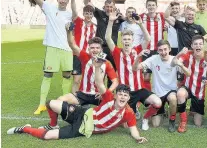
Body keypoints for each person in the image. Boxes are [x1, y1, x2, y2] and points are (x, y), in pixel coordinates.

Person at [7, 57, 148, 143]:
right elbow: (99, 83)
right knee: (51, 103)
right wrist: (98, 68)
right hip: (82, 114)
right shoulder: (109, 98)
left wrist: (137, 138)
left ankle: (25, 128)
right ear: (116, 95)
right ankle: (53, 124)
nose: (122, 97)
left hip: (83, 128)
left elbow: (133, 129)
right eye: (120, 94)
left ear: (128, 98)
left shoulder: (128, 113)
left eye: (125, 95)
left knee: (48, 137)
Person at [45, 24, 118, 119]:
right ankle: (58, 123)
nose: (95, 50)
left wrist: (107, 92)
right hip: (83, 94)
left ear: (101, 49)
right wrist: (69, 31)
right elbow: (72, 45)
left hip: (99, 95)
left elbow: (115, 81)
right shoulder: (85, 57)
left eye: (97, 48)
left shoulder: (107, 63)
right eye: (92, 48)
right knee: (60, 100)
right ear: (89, 49)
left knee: (118, 105)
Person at [105, 10, 162, 131]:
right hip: (125, 91)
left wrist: (141, 24)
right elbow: (107, 38)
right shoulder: (117, 52)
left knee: (157, 102)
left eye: (128, 39)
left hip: (139, 89)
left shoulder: (137, 49)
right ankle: (133, 111)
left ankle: (145, 118)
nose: (126, 41)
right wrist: (110, 21)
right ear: (122, 41)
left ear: (132, 40)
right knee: (125, 125)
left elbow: (148, 38)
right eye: (124, 39)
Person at [27, 0, 74, 115]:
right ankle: (42, 104)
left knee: (67, 75)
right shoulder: (49, 7)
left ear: (67, 1)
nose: (63, 1)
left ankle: (65, 103)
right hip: (52, 48)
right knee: (47, 75)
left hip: (66, 49)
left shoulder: (70, 15)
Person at [132, 40, 190, 133]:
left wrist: (182, 65)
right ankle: (162, 112)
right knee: (155, 124)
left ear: (170, 49)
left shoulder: (174, 60)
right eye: (160, 50)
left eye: (165, 49)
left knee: (173, 98)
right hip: (158, 93)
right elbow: (135, 68)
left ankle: (172, 120)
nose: (163, 52)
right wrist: (138, 56)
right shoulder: (153, 59)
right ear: (157, 51)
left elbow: (188, 74)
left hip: (171, 90)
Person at [83, 0, 125, 79]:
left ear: (114, 7)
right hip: (101, 49)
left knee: (113, 73)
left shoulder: (118, 18)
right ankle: (99, 92)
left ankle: (111, 93)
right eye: (107, 6)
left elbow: (130, 22)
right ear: (104, 7)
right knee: (99, 71)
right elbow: (87, 2)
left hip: (112, 49)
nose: (109, 8)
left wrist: (123, 17)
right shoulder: (100, 14)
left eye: (111, 6)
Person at [173, 35, 207, 133]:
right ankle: (183, 121)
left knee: (198, 124)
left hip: (199, 92)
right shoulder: (188, 55)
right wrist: (180, 54)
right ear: (192, 46)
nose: (198, 46)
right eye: (195, 44)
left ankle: (192, 110)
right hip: (187, 87)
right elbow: (175, 61)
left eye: (200, 44)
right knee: (180, 94)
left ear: (203, 46)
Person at [69, 0, 97, 93]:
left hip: (89, 56)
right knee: (76, 80)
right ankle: (74, 99)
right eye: (86, 13)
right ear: (83, 13)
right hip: (77, 54)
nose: (88, 15)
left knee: (89, 79)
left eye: (90, 14)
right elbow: (73, 10)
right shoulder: (78, 21)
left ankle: (85, 98)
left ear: (92, 15)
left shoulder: (95, 27)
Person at [139, 0, 166, 91]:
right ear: (146, 6)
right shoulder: (141, 17)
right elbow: (129, 18)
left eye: (153, 5)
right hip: (146, 50)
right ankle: (148, 97)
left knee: (160, 74)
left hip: (159, 51)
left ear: (156, 6)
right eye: (149, 5)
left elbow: (170, 15)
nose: (151, 7)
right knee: (146, 76)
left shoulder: (161, 16)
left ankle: (161, 94)